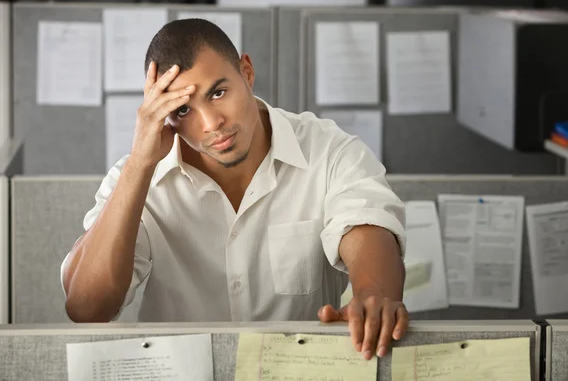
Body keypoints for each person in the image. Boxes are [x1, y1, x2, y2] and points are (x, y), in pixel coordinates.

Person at [61, 19, 408, 360]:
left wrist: (373, 294)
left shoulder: (328, 150)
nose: (212, 124)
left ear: (247, 71)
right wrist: (139, 164)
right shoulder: (137, 178)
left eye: (218, 92)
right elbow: (87, 309)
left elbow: (366, 227)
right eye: (183, 109)